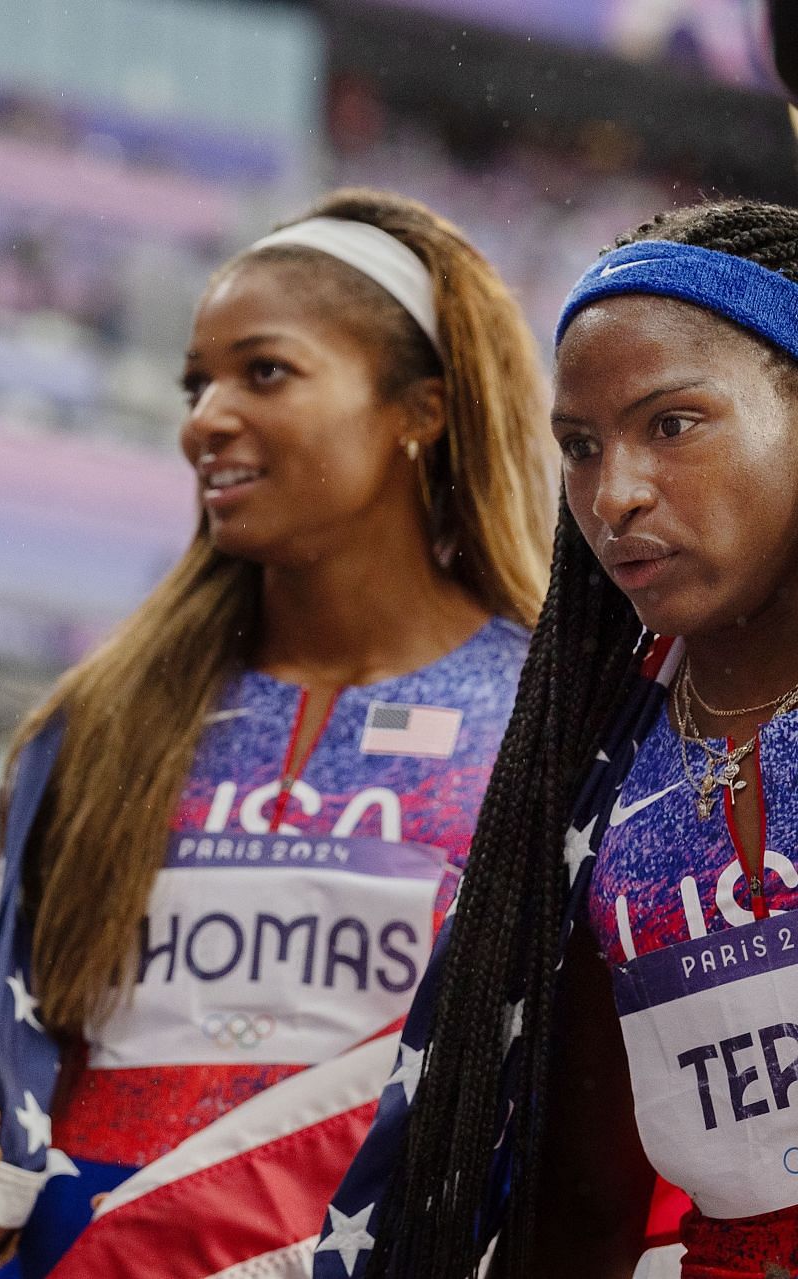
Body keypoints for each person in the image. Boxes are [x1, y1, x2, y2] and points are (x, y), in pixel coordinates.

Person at [0, 188, 554, 1277]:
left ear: (422, 410)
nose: (203, 418)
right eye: (196, 382)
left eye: (264, 371)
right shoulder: (98, 723)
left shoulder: (545, 723)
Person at [318, 199, 798, 1279]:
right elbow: (579, 1202)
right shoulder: (595, 777)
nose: (613, 494)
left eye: (673, 424)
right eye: (580, 447)